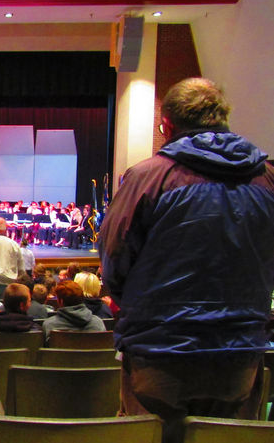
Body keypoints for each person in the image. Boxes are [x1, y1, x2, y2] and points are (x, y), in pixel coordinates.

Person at [99, 77, 274, 443]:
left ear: (166, 126)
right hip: (241, 350)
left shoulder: (148, 177)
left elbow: (114, 257)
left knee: (151, 436)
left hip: (159, 350)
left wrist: (128, 301)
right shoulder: (267, 180)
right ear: (223, 119)